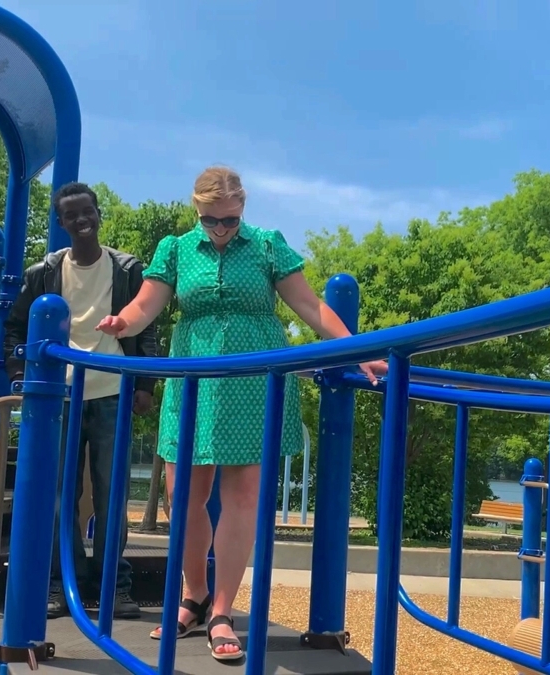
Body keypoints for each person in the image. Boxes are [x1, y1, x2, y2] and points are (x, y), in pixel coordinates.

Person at [96, 166, 387, 662]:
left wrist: (360, 351)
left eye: (229, 220)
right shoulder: (177, 248)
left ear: (243, 209)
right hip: (195, 378)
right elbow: (148, 304)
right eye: (211, 221)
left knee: (244, 494)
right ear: (197, 212)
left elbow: (310, 305)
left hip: (255, 379)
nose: (221, 231)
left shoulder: (268, 245)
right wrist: (122, 321)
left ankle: (223, 610)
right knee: (183, 494)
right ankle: (194, 593)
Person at [4, 181, 158, 620]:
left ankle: (115, 587)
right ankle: (58, 582)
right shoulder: (46, 273)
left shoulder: (127, 269)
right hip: (62, 397)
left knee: (112, 494)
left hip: (112, 391)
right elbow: (15, 327)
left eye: (86, 211)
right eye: (71, 215)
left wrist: (145, 385)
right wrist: (21, 372)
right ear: (61, 223)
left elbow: (145, 325)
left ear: (97, 213)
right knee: (58, 495)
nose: (81, 220)